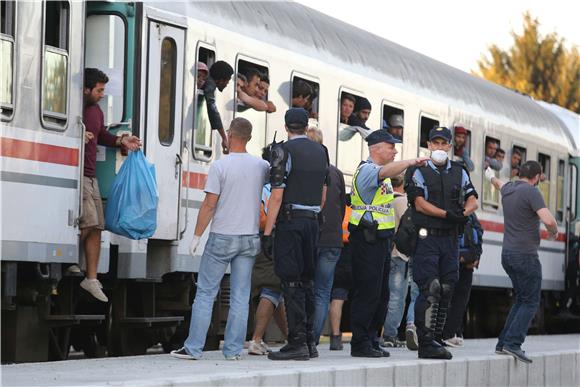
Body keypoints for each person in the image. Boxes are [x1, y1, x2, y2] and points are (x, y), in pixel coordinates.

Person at [170, 117, 269, 360]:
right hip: (249, 238)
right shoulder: (261, 166)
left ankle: (193, 348)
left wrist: (195, 236)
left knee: (205, 292)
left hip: (222, 236)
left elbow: (209, 205)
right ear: (249, 137)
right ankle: (233, 351)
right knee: (240, 295)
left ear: (230, 136)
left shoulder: (220, 166)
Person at [348, 129, 428, 358]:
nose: (395, 151)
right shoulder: (367, 170)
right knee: (367, 292)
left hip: (381, 240)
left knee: (381, 294)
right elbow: (385, 171)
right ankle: (360, 342)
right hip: (366, 239)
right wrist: (411, 161)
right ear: (376, 148)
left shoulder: (381, 176)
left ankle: (372, 338)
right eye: (391, 146)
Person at [405, 126, 479, 360]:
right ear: (429, 145)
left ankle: (437, 337)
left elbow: (473, 199)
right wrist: (447, 215)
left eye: (442, 143)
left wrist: (463, 213)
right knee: (430, 287)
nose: (438, 147)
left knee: (447, 288)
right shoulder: (418, 170)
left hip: (450, 239)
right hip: (428, 236)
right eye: (434, 143)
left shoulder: (459, 171)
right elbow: (419, 203)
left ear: (449, 146)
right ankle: (425, 342)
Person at [263, 108, 329, 361]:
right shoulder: (321, 151)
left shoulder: (282, 151)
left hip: (291, 223)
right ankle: (310, 341)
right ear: (305, 125)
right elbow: (322, 195)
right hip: (313, 222)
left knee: (291, 282)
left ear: (287, 125)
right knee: (308, 281)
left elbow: (277, 194)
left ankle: (297, 343)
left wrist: (268, 233)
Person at [486, 161, 558, 363]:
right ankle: (513, 343)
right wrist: (553, 232)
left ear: (520, 174)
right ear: (536, 177)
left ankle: (503, 344)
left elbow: (496, 182)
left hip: (507, 255)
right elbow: (549, 220)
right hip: (525, 256)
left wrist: (488, 174)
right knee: (531, 301)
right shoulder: (532, 192)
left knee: (521, 299)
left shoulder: (509, 188)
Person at [80, 68, 141, 302]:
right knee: (89, 221)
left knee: (97, 225)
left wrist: (121, 140)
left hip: (91, 174)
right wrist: (78, 134)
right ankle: (71, 259)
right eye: (99, 90)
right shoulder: (77, 108)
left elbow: (102, 134)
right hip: (79, 173)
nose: (102, 94)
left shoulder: (96, 111)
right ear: (86, 89)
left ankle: (91, 278)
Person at [306, 128, 347, 347]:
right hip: (332, 239)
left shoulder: (303, 170)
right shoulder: (336, 172)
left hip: (310, 237)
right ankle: (313, 340)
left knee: (306, 287)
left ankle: (303, 336)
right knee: (323, 291)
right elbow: (341, 208)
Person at [248, 184, 288, 355]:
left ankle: (291, 337)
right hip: (272, 236)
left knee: (276, 292)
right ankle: (256, 340)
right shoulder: (278, 186)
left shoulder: (257, 184)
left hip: (253, 235)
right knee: (272, 288)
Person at [442, 213, 483, 347]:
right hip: (467, 260)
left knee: (448, 297)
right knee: (460, 300)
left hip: (452, 258)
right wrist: (476, 257)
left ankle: (450, 332)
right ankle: (450, 333)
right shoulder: (471, 213)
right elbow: (479, 233)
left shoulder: (448, 207)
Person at [381, 174, 412, 348]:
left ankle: (381, 333)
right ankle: (390, 335)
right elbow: (409, 228)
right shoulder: (403, 202)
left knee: (384, 295)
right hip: (399, 254)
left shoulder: (384, 201)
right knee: (397, 297)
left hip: (384, 252)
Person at [201, 60, 234, 154]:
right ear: (221, 79)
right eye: (227, 80)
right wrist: (224, 137)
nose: (227, 84)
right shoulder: (210, 85)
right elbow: (212, 109)